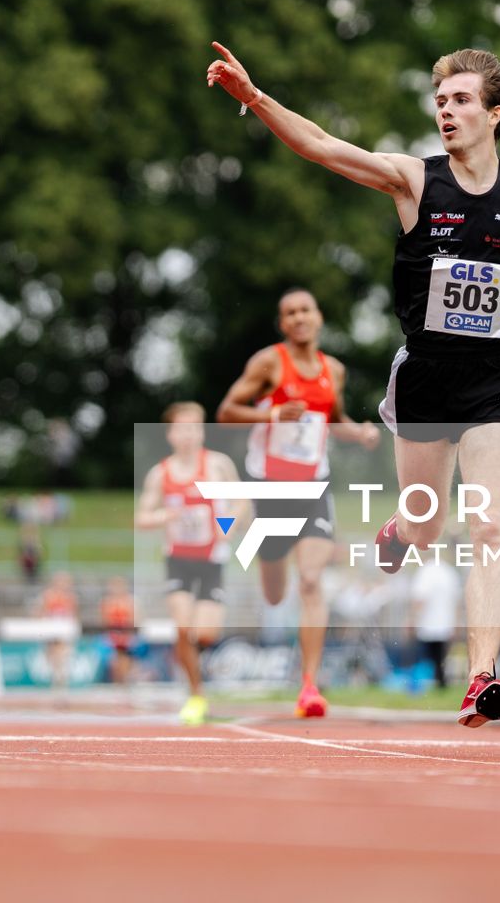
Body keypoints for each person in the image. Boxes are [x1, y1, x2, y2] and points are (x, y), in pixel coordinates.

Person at [206, 43, 500, 728]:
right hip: (424, 377)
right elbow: (322, 146)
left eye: (459, 101)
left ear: (495, 112)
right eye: (440, 101)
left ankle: (481, 675)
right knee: (427, 530)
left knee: (490, 525)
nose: (445, 112)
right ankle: (401, 530)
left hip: (495, 380)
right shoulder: (413, 180)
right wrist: (254, 97)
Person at [216, 287, 382, 718]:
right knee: (275, 593)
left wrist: (359, 432)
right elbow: (227, 411)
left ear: (318, 316)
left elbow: (333, 419)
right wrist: (271, 414)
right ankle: (260, 547)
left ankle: (309, 686)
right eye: (289, 313)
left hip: (313, 487)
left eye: (305, 309)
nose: (298, 318)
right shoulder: (269, 362)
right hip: (269, 486)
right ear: (283, 323)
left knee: (311, 581)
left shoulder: (334, 370)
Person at [134, 401, 238, 724]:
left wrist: (226, 526)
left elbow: (242, 500)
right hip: (178, 559)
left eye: (195, 427)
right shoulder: (160, 474)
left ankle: (192, 663)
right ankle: (196, 695)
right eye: (183, 428)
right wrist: (166, 514)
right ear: (170, 434)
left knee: (205, 633)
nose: (190, 435)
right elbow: (141, 517)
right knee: (182, 627)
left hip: (211, 559)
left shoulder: (217, 465)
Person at [410, 551, 461, 690]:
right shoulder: (449, 572)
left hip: (427, 623)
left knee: (424, 658)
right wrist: (456, 623)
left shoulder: (425, 571)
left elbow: (420, 599)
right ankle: (441, 684)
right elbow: (456, 601)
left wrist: (412, 620)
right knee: (441, 659)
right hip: (445, 623)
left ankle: (419, 685)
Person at [37, 572, 78, 694]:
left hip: (64, 629)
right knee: (52, 654)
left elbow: (73, 614)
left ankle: (60, 680)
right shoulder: (48, 596)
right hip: (51, 628)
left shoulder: (71, 597)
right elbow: (42, 611)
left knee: (62, 653)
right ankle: (55, 678)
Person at [99, 576, 139, 687]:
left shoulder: (130, 601)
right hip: (113, 635)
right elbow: (105, 620)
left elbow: (134, 619)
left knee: (125, 658)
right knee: (114, 659)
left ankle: (125, 681)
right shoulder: (107, 602)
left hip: (126, 635)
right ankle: (117, 682)